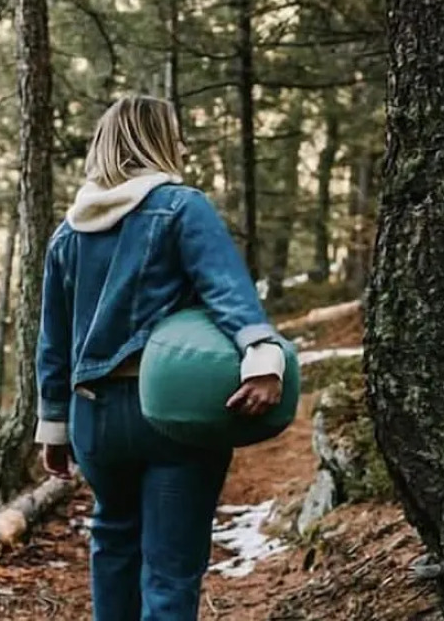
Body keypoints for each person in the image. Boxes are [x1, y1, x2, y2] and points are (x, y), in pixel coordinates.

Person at [35, 94, 285, 621]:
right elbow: (227, 291)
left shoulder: (67, 233)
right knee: (170, 568)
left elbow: (53, 342)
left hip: (93, 419)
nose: (183, 145)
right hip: (170, 409)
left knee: (114, 542)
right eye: (175, 133)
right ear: (155, 141)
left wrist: (53, 425)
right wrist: (262, 357)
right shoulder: (180, 206)